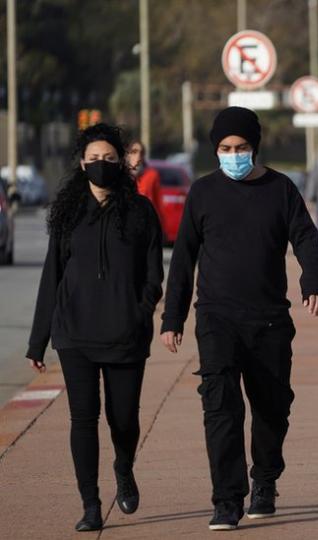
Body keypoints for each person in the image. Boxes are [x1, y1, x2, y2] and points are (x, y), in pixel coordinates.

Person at [160, 107, 318, 531]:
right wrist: (172, 317)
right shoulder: (202, 192)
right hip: (216, 318)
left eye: (241, 148)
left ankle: (265, 480)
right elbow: (183, 258)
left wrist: (313, 282)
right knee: (220, 409)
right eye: (225, 148)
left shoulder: (281, 189)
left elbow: (306, 237)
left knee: (273, 409)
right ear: (215, 150)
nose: (233, 154)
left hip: (269, 320)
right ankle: (226, 500)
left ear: (255, 148)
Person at [26, 124, 164, 532]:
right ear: (81, 163)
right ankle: (89, 503)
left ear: (122, 162)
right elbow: (52, 276)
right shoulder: (68, 214)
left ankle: (124, 467)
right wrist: (38, 341)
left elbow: (153, 275)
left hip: (125, 335)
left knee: (123, 419)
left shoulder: (140, 212)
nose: (100, 165)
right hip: (75, 334)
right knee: (82, 419)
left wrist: (140, 312)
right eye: (93, 159)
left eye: (109, 158)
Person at [127, 140, 162, 214]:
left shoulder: (152, 175)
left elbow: (158, 204)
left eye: (141, 152)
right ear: (127, 155)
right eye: (134, 152)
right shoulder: (121, 176)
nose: (138, 156)